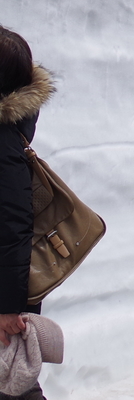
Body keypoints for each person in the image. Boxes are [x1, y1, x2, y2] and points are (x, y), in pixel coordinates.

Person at [0, 26, 53, 400]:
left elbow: (13, 228)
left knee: (14, 386)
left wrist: (7, 309)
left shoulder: (2, 143)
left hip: (4, 300)